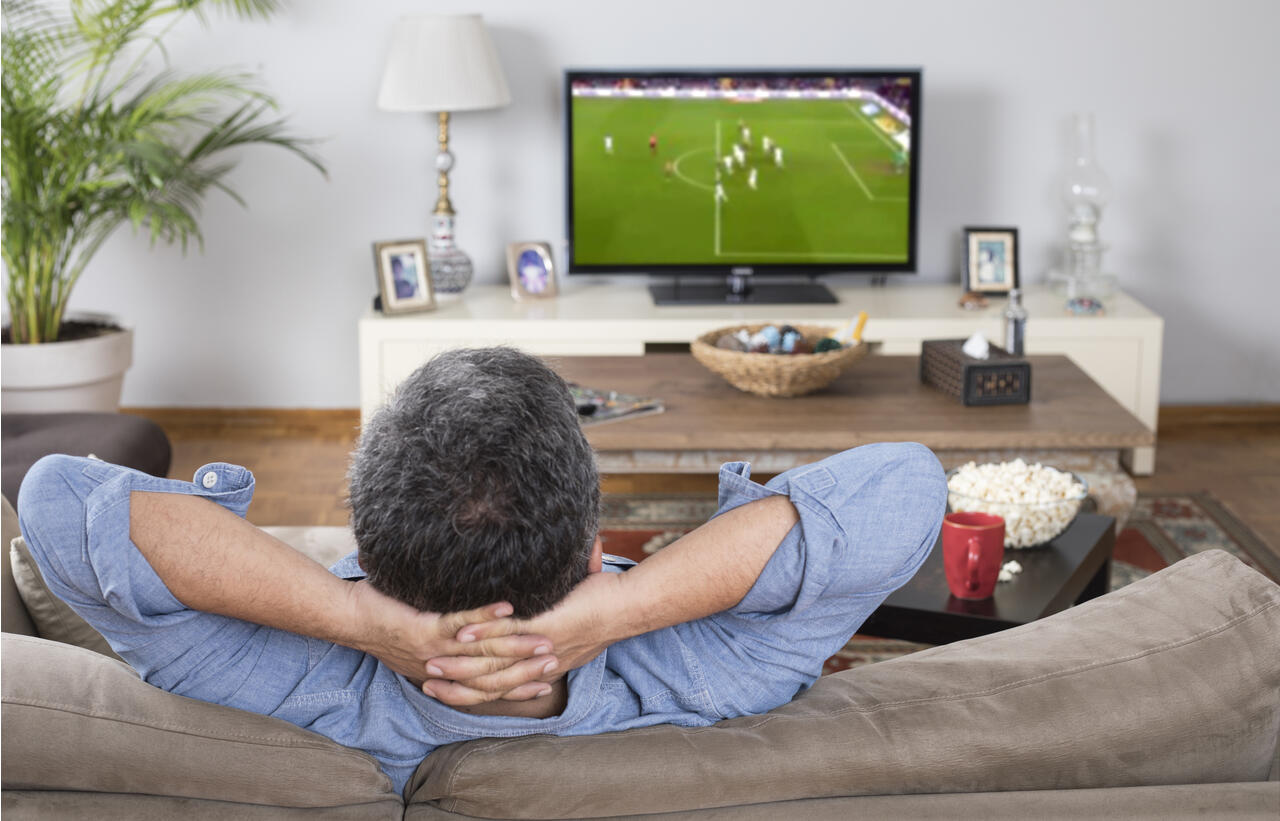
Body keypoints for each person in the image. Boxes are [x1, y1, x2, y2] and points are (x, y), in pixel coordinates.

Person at [17, 348, 945, 794]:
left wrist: (363, 627)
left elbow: (59, 499)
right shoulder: (716, 669)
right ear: (592, 540)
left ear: (365, 545)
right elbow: (907, 484)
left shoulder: (270, 680)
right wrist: (611, 613)